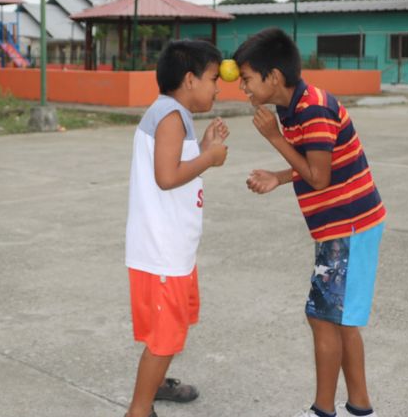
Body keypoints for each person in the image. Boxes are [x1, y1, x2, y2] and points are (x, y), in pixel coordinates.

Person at [235, 28, 385, 417]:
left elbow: (318, 177)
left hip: (348, 225)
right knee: (341, 321)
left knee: (322, 318)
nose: (243, 88)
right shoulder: (295, 107)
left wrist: (274, 139)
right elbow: (317, 162)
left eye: (247, 79)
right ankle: (360, 407)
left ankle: (323, 410)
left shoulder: (313, 109)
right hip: (345, 225)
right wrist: (278, 176)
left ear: (273, 77)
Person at [124, 39, 229, 417]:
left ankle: (155, 384)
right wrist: (210, 158)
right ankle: (138, 410)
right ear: (189, 79)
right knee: (164, 338)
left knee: (171, 328)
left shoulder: (172, 114)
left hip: (172, 249)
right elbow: (167, 177)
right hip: (161, 253)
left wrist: (202, 148)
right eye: (213, 79)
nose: (217, 89)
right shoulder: (170, 117)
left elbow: (174, 167)